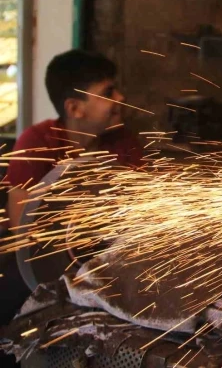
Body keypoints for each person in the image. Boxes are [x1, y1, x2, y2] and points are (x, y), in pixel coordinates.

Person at [1, 50, 143, 330]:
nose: (121, 99)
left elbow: (141, 209)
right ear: (75, 108)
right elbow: (23, 229)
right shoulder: (37, 141)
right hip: (43, 266)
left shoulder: (123, 143)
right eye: (108, 92)